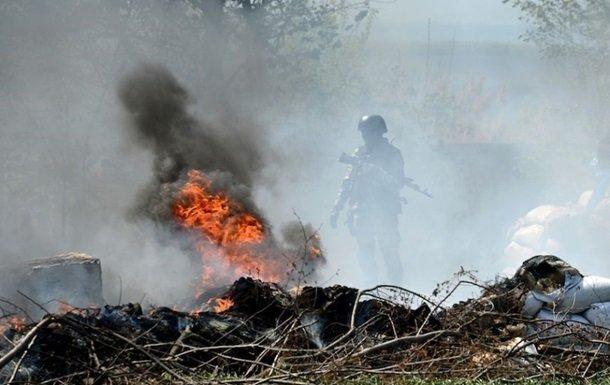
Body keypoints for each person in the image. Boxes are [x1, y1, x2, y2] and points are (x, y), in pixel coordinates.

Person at [330, 115, 405, 285]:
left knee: (389, 250)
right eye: (363, 133)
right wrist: (337, 208)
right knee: (364, 251)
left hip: (385, 211)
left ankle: (397, 290)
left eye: (368, 133)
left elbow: (397, 183)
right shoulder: (359, 153)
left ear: (378, 132)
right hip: (361, 210)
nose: (365, 136)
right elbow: (347, 182)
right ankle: (370, 288)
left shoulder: (393, 154)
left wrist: (377, 174)